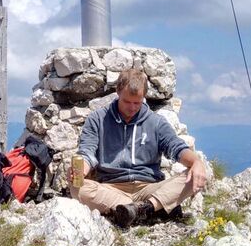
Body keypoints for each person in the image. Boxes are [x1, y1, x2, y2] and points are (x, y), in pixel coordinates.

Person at [70, 67, 207, 227]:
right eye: (127, 102)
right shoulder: (97, 119)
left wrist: (196, 162)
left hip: (149, 186)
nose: (132, 107)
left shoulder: (156, 122)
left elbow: (175, 147)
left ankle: (140, 210)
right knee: (76, 187)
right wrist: (81, 170)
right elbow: (87, 152)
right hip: (111, 188)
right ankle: (155, 208)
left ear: (144, 97)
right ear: (118, 92)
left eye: (137, 102)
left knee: (195, 174)